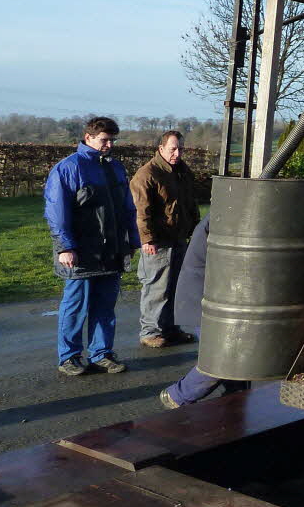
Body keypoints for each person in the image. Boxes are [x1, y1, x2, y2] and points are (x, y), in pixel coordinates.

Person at [44, 116, 140, 375]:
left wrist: (131, 239)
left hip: (111, 251)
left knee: (105, 307)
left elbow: (128, 208)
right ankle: (69, 357)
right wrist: (65, 246)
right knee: (75, 306)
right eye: (104, 140)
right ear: (88, 138)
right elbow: (57, 213)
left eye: (112, 140)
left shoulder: (116, 168)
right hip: (81, 251)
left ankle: (102, 354)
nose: (109, 144)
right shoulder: (68, 168)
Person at [160, 216, 248, 408]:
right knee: (222, 356)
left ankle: (236, 395)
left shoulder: (227, 215)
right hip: (203, 298)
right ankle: (177, 396)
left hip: (217, 296)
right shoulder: (220, 221)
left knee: (235, 352)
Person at [129, 130, 200, 348]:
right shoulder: (147, 174)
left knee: (176, 288)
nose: (177, 153)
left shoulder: (181, 171)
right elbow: (141, 211)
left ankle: (170, 329)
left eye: (180, 149)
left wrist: (194, 229)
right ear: (161, 149)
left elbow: (190, 202)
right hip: (158, 241)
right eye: (173, 149)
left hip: (179, 237)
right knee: (156, 288)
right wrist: (147, 240)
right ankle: (150, 331)